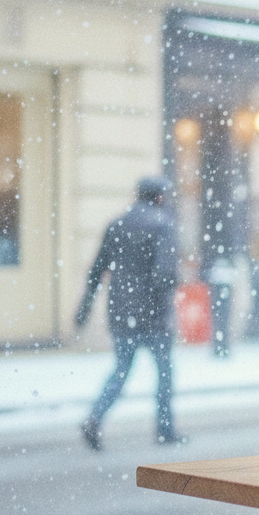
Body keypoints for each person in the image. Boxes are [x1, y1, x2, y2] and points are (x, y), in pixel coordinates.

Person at [76, 175, 182, 450]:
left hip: (122, 311)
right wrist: (164, 303)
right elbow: (166, 273)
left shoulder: (116, 224)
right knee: (164, 373)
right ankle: (165, 429)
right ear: (159, 197)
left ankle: (94, 419)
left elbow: (97, 269)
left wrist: (84, 308)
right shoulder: (164, 225)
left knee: (121, 370)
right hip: (154, 315)